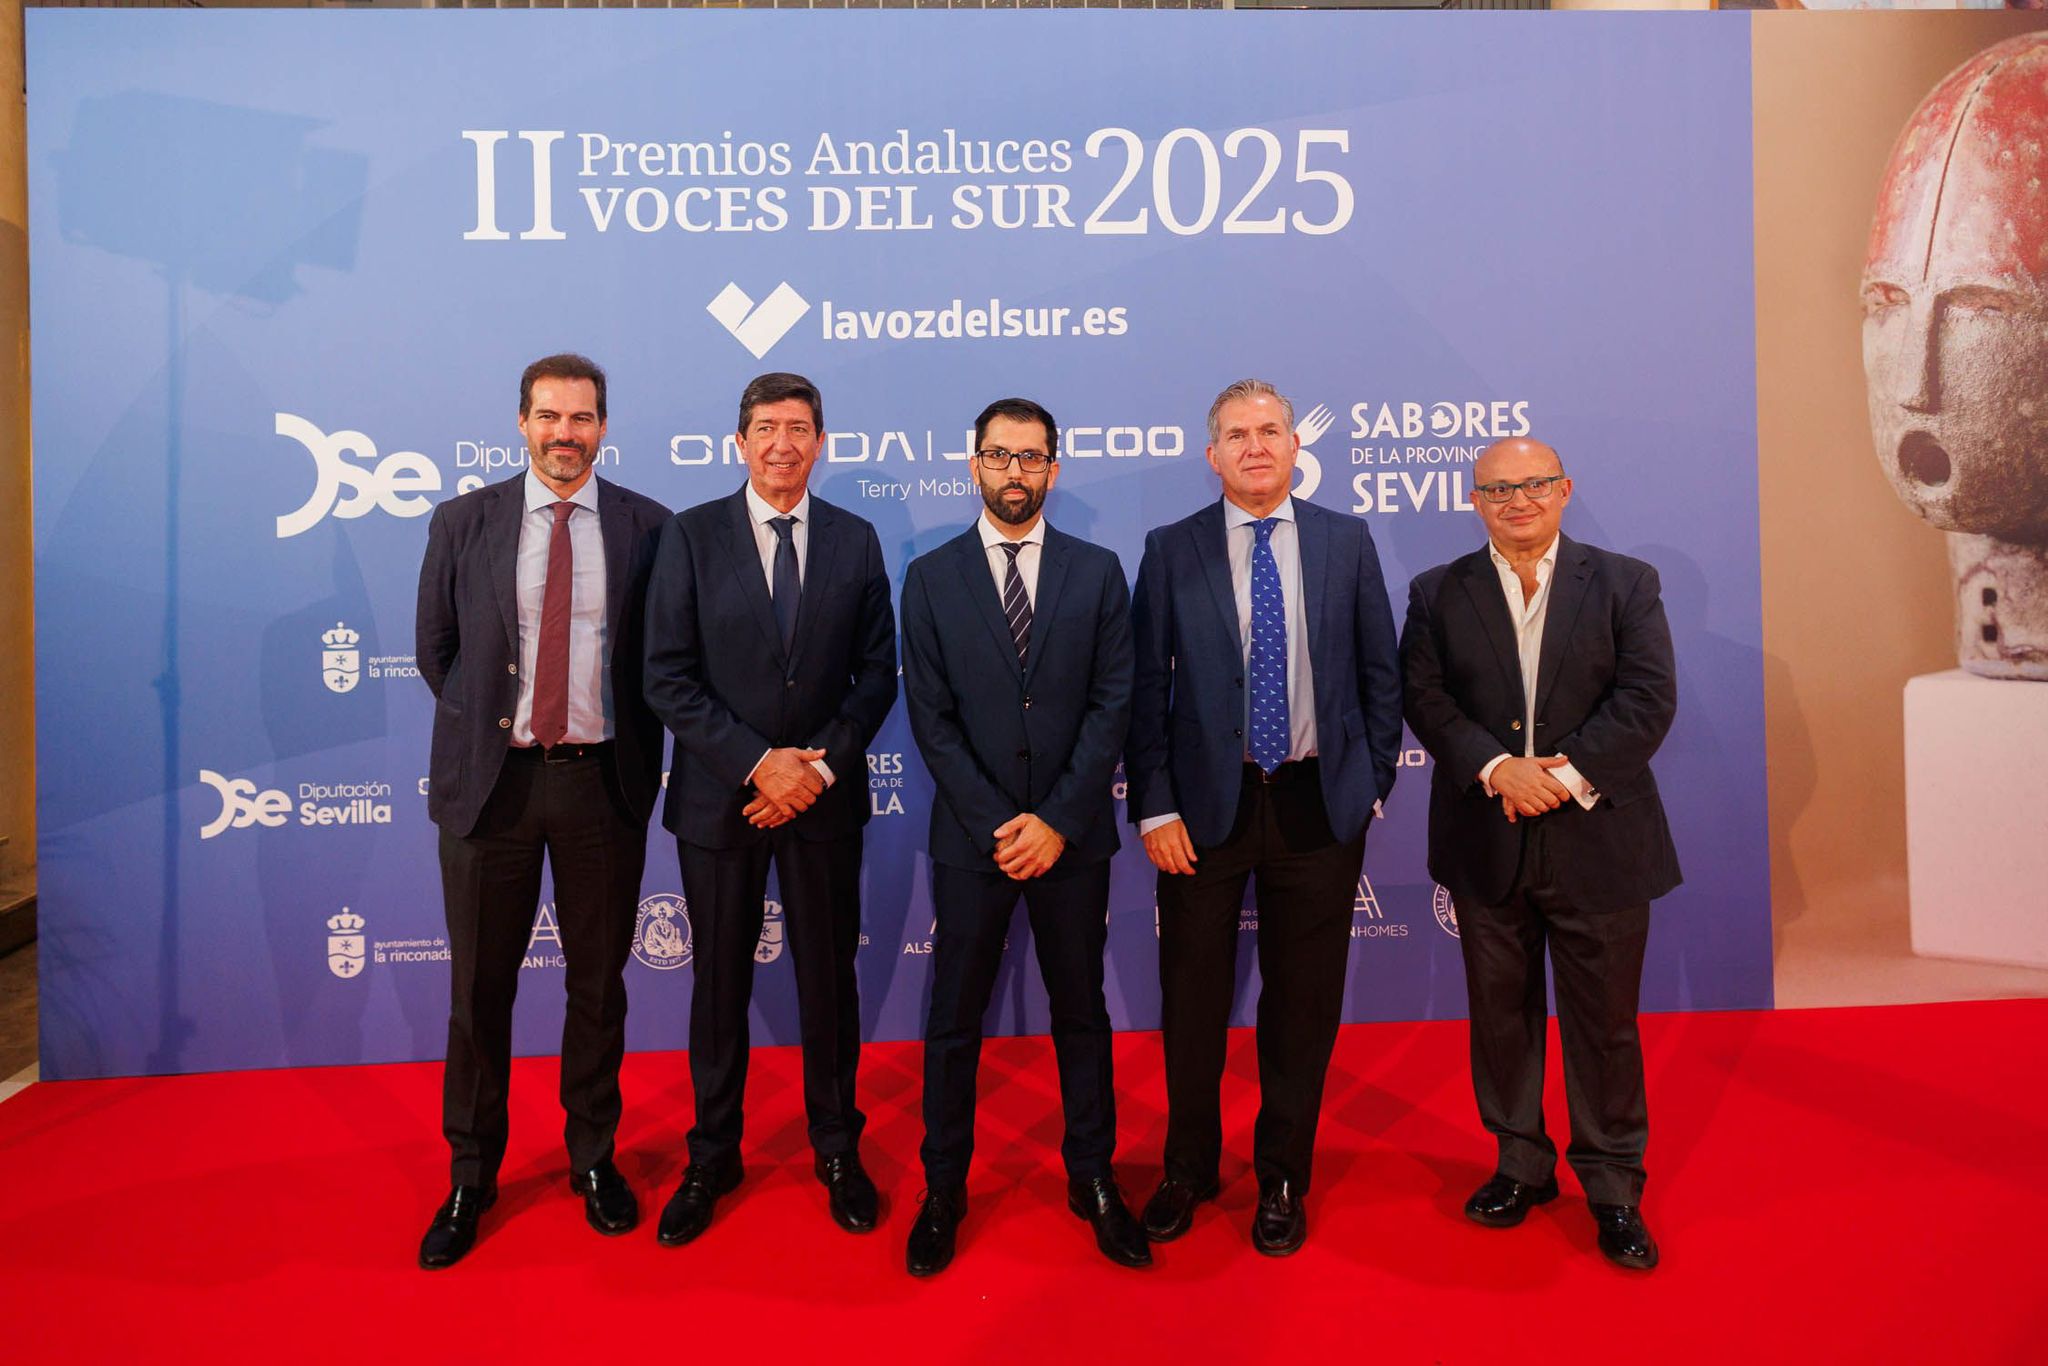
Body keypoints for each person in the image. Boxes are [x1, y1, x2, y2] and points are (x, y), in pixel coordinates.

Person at [1125, 378, 1402, 1256]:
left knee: (1303, 1003)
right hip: (1205, 810)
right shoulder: (1170, 550)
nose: (1255, 446)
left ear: (1294, 446)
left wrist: (1372, 783)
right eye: (1237, 434)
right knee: (1194, 1000)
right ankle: (1188, 1167)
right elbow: (1145, 691)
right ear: (1213, 455)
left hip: (1320, 804)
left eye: (1270, 431)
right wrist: (1155, 802)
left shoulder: (1345, 542)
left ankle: (1283, 1175)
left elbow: (1378, 675)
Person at [413, 353, 672, 1269]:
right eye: (550, 417)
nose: (567, 434)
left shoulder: (650, 527)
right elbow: (437, 653)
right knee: (480, 990)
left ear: (604, 426)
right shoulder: (463, 520)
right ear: (520, 423)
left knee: (599, 988)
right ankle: (472, 1174)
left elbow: (659, 663)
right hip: (494, 787)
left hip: (603, 784)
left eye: (584, 417)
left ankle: (593, 1158)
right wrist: (503, 731)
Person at [1398, 435, 1680, 1271]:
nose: (1517, 500)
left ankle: (1613, 1186)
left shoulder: (1626, 582)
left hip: (1601, 839)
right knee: (1502, 1017)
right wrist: (1497, 768)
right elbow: (1425, 696)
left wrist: (1564, 776)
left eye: (1534, 485)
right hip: (1487, 838)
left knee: (1604, 1027)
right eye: (1497, 489)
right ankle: (1520, 1164)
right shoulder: (1436, 591)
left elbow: (1648, 696)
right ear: (1475, 500)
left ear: (1564, 489)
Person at [641, 371, 897, 1246]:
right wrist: (758, 765)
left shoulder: (857, 541)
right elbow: (665, 674)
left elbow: (876, 676)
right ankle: (713, 1154)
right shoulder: (690, 534)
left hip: (823, 802)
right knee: (717, 988)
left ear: (820, 442)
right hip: (722, 803)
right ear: (739, 442)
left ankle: (836, 1148)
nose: (782, 442)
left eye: (798, 427)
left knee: (829, 983)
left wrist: (813, 773)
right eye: (764, 427)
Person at [897, 397, 1146, 1276]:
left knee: (1083, 1016)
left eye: (1031, 457)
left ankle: (1094, 1180)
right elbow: (931, 719)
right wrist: (1004, 822)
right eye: (999, 456)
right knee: (953, 1021)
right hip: (975, 842)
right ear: (973, 465)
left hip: (1073, 841)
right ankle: (944, 1188)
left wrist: (1058, 821)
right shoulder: (929, 578)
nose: (1015, 472)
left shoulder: (1099, 570)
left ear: (1053, 468)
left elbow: (1115, 703)